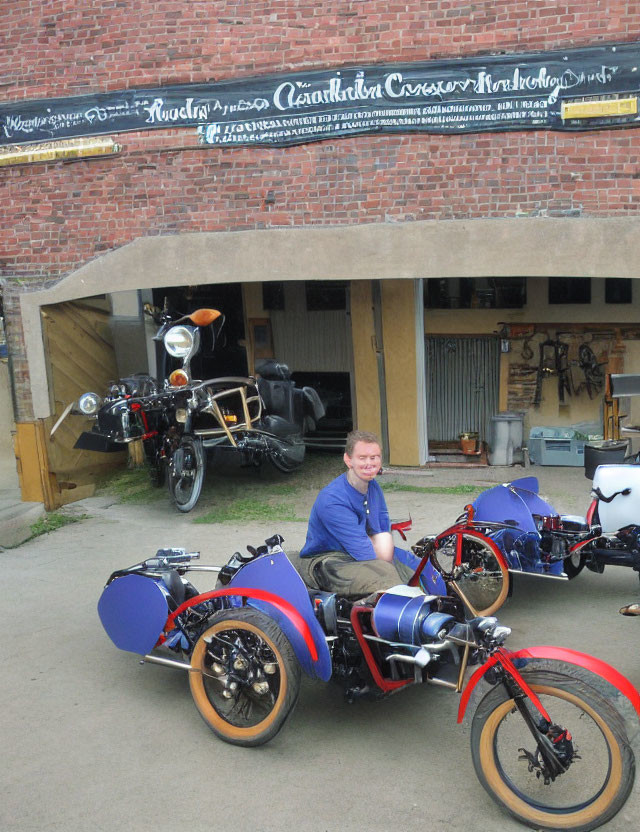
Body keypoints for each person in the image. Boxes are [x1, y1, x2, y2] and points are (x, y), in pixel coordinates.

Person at [296, 429, 446, 599]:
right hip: (330, 560)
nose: (369, 463)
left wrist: (386, 546)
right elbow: (365, 553)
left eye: (374, 457)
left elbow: (382, 529)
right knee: (387, 576)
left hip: (367, 548)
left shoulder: (373, 488)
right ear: (348, 460)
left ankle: (443, 610)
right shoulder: (332, 500)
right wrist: (383, 546)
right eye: (362, 458)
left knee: (422, 567)